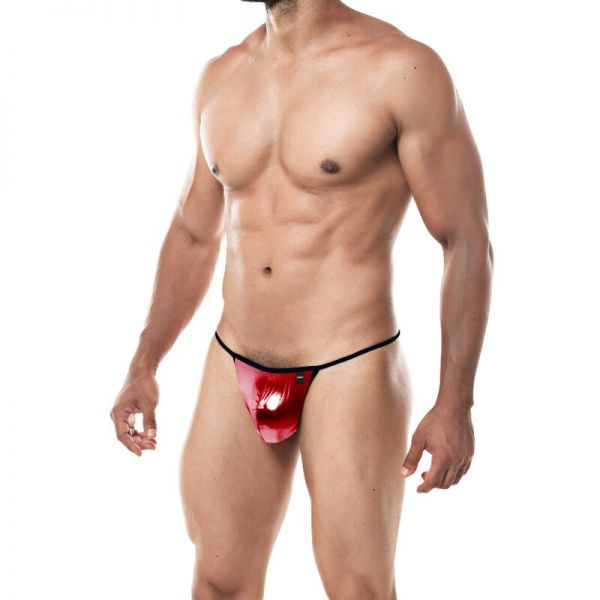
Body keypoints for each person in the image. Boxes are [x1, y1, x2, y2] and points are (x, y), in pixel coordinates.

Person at [110, 0, 493, 597]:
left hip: (349, 362)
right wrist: (144, 364)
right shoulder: (222, 75)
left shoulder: (402, 70)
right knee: (218, 583)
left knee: (357, 588)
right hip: (236, 357)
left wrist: (455, 402)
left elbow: (465, 239)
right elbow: (192, 233)